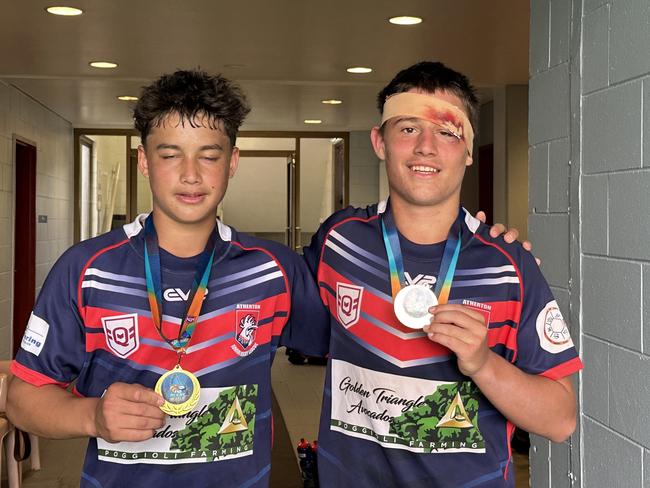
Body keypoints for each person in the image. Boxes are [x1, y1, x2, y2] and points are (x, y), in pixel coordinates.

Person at [6, 70, 330, 487]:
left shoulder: (273, 269)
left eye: (209, 155)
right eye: (170, 154)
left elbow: (355, 351)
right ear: (143, 161)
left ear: (232, 162)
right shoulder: (87, 270)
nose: (191, 174)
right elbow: (22, 398)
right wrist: (92, 415)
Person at [303, 61, 583, 487]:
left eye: (449, 131)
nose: (426, 147)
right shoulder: (339, 242)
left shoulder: (508, 265)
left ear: (469, 150)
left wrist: (483, 363)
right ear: (380, 141)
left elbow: (561, 420)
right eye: (409, 128)